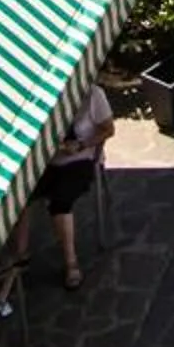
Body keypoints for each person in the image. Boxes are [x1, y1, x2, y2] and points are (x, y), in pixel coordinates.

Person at [31, 81, 115, 290]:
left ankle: (71, 263)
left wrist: (81, 145)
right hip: (48, 161)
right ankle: (17, 257)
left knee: (60, 201)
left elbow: (108, 129)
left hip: (80, 159)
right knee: (23, 197)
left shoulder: (93, 94)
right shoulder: (44, 98)